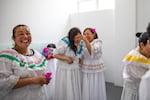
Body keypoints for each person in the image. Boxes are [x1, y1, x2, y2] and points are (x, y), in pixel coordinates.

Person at [0, 24, 50, 100]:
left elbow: (43, 75)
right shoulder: (6, 56)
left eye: (28, 33)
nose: (25, 36)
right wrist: (32, 80)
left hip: (39, 96)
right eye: (20, 34)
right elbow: (3, 83)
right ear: (13, 38)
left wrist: (45, 79)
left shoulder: (38, 56)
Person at [53, 27, 83, 100]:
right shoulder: (64, 42)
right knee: (66, 87)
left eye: (79, 37)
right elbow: (55, 54)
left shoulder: (80, 42)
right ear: (71, 37)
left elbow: (78, 55)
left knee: (73, 87)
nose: (78, 39)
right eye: (76, 37)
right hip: (65, 70)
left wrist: (79, 59)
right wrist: (66, 58)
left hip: (74, 69)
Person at [120, 32, 150, 100]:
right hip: (136, 92)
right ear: (142, 45)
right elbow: (145, 78)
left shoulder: (144, 51)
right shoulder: (133, 60)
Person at [81, 27, 107, 100]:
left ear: (94, 34)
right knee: (87, 83)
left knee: (96, 83)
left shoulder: (98, 42)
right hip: (86, 66)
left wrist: (85, 40)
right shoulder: (83, 43)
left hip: (95, 66)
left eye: (88, 34)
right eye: (84, 34)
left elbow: (92, 51)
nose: (86, 35)